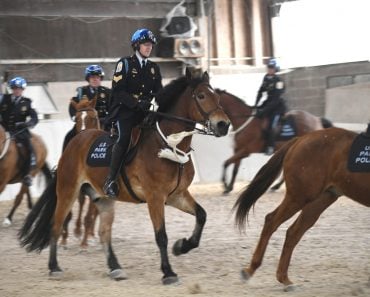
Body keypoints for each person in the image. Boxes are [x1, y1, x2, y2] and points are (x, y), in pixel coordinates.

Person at [103, 28, 163, 198]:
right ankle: (110, 181)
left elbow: (159, 93)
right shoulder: (125, 63)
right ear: (137, 45)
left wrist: (164, 106)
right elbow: (118, 91)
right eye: (145, 44)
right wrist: (136, 103)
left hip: (145, 112)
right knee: (124, 139)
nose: (149, 47)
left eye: (150, 45)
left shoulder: (153, 68)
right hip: (125, 112)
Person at [62, 64, 111, 151]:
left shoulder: (107, 92)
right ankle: (63, 161)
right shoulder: (82, 92)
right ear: (88, 79)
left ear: (101, 79)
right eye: (92, 77)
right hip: (84, 122)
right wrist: (75, 116)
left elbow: (113, 107)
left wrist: (108, 118)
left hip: (103, 121)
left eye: (97, 77)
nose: (95, 79)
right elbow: (73, 104)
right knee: (68, 136)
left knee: (118, 137)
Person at [0, 77, 38, 186]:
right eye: (15, 88)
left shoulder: (27, 102)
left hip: (20, 131)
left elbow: (34, 117)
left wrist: (29, 123)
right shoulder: (3, 99)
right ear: (11, 89)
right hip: (4, 129)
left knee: (29, 148)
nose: (17, 90)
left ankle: (27, 174)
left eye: (19, 88)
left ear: (23, 90)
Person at [255, 58, 287, 155]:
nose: (269, 69)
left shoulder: (279, 81)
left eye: (271, 67)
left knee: (272, 125)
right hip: (268, 103)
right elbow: (261, 91)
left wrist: (264, 110)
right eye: (268, 67)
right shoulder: (266, 78)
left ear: (276, 69)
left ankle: (271, 146)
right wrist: (256, 105)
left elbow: (276, 100)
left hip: (277, 107)